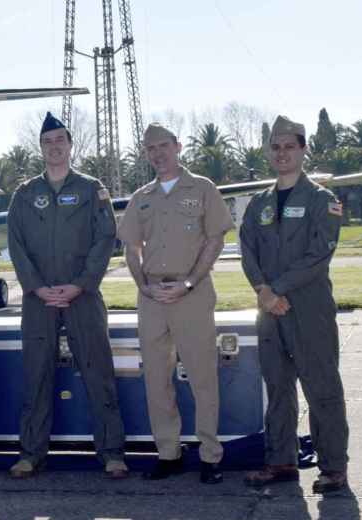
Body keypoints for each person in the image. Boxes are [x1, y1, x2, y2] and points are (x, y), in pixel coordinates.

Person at [7, 112, 128, 479]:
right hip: (38, 298)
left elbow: (105, 238)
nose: (54, 147)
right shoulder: (25, 194)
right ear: (40, 148)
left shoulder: (93, 189)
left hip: (84, 296)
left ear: (71, 145)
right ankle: (31, 453)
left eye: (60, 140)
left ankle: (111, 453)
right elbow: (16, 245)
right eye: (48, 142)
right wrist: (37, 287)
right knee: (36, 374)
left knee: (98, 372)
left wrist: (81, 284)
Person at [117, 122, 234, 484]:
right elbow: (131, 248)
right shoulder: (142, 197)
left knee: (202, 378)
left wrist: (188, 282)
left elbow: (215, 240)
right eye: (151, 148)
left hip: (192, 294)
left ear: (178, 146)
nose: (158, 153)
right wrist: (143, 286)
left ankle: (210, 456)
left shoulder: (202, 189)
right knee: (156, 379)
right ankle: (168, 453)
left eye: (164, 146)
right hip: (152, 297)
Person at [240, 116, 349, 494]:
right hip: (269, 311)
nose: (282, 153)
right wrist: (263, 290)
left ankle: (334, 467)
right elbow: (248, 250)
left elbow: (321, 253)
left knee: (321, 387)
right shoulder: (258, 204)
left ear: (303, 149)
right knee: (278, 388)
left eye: (289, 146)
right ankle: (281, 460)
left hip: (309, 308)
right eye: (276, 147)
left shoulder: (323, 200)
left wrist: (277, 289)